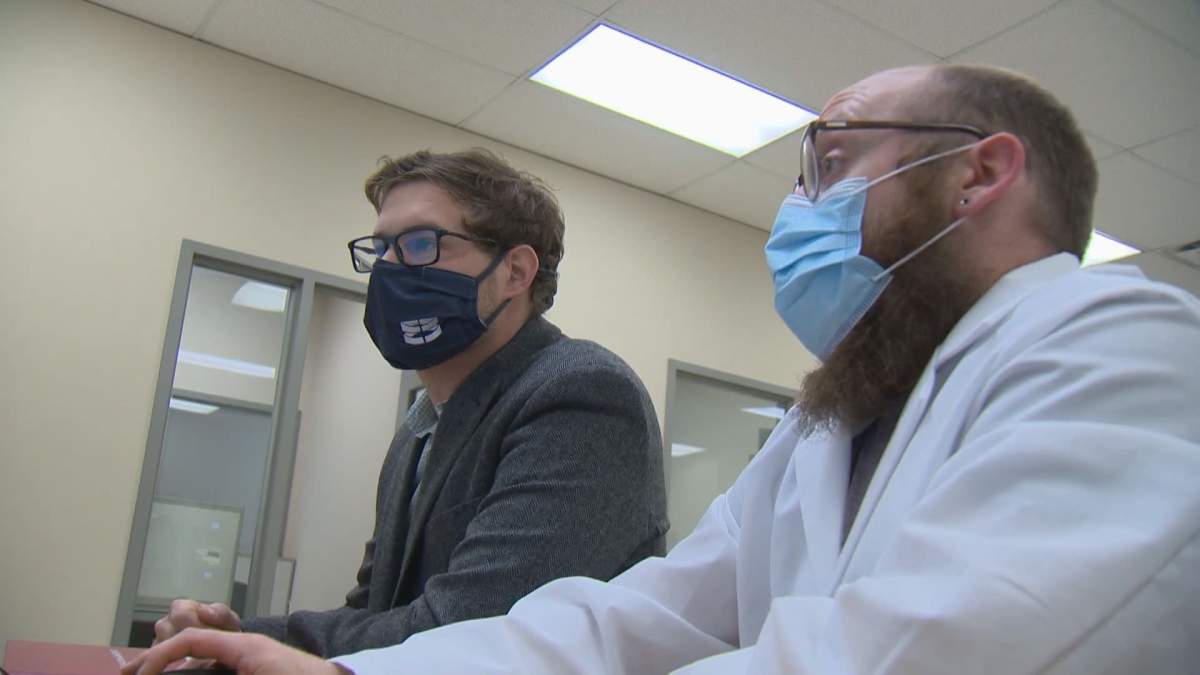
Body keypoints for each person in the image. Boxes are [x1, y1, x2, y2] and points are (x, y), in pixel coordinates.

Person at [126, 64, 1200, 675]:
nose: (797, 211)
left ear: (980, 173)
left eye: (830, 164)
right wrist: (345, 671)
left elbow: (939, 646)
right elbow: (634, 620)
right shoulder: (825, 428)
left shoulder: (1120, 343)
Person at [147, 149, 669, 658]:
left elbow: (467, 630)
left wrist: (253, 642)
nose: (389, 267)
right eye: (381, 249)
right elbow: (375, 610)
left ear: (515, 271)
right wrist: (233, 637)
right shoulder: (418, 428)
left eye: (421, 243)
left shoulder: (581, 393)